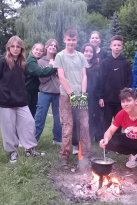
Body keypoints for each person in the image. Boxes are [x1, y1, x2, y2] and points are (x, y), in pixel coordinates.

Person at [0, 36, 44, 163]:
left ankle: (29, 149)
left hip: (20, 100)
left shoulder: (23, 63)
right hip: (5, 101)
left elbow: (22, 80)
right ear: (8, 47)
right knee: (8, 127)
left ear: (21, 49)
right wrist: (0, 92)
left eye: (18, 46)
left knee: (29, 123)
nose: (15, 49)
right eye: (12, 46)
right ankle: (12, 152)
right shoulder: (1, 62)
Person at [53, 28, 91, 167]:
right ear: (64, 40)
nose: (71, 42)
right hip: (66, 96)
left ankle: (86, 154)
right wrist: (71, 95)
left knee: (85, 125)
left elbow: (84, 76)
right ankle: (64, 155)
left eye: (73, 40)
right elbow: (61, 77)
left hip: (80, 95)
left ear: (77, 40)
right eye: (68, 40)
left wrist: (83, 94)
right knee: (68, 126)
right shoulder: (60, 56)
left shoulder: (81, 56)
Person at [99, 35, 132, 134]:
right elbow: (100, 80)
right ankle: (107, 143)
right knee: (106, 121)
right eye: (115, 45)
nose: (117, 47)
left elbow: (129, 80)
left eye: (119, 45)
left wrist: (127, 96)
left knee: (119, 121)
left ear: (122, 47)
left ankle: (117, 143)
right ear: (111, 46)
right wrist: (100, 97)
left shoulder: (125, 63)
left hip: (121, 99)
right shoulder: (105, 62)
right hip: (107, 99)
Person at [34, 39, 62, 145]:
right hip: (45, 93)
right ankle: (33, 140)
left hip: (58, 93)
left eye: (55, 46)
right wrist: (51, 67)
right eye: (51, 45)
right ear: (46, 46)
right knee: (40, 117)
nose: (53, 47)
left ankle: (58, 139)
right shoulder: (40, 61)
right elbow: (42, 79)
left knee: (59, 118)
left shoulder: (59, 60)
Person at [25, 43, 56, 117]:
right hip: (27, 92)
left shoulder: (38, 60)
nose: (38, 52)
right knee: (28, 115)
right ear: (32, 50)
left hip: (33, 91)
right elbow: (39, 72)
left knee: (33, 114)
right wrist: (54, 66)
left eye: (41, 51)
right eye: (36, 49)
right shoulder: (31, 59)